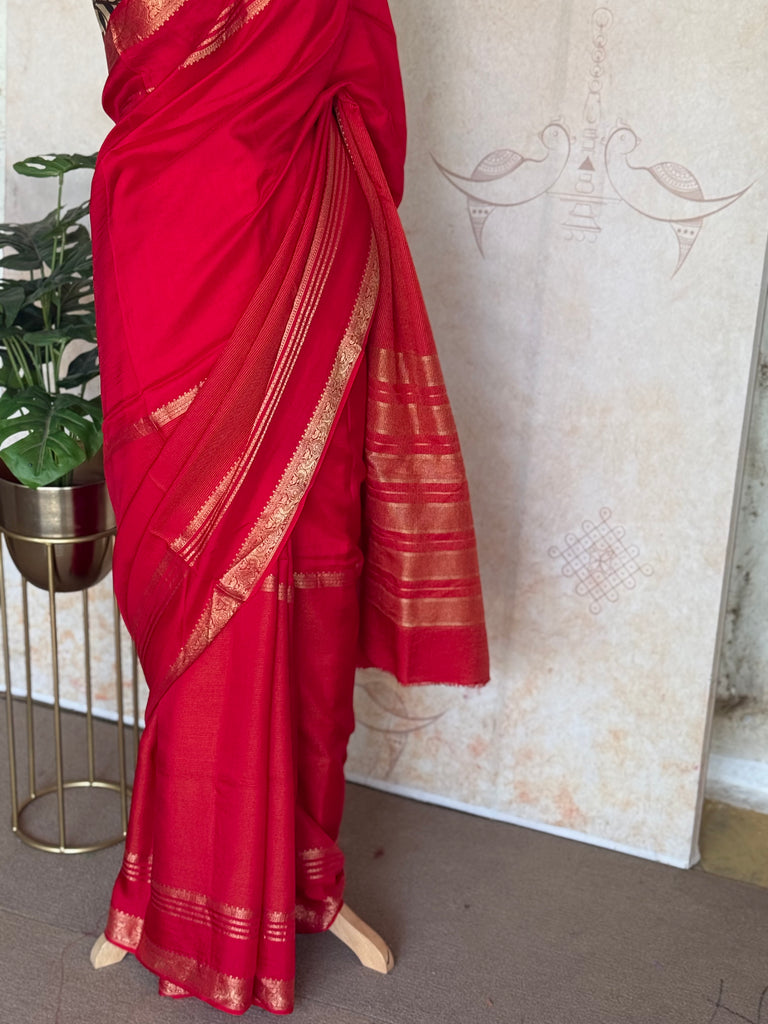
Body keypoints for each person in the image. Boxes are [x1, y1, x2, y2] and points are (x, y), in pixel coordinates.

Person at [89, 0, 490, 1015]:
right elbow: (376, 118)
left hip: (290, 263)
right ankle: (188, 889)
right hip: (170, 271)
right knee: (192, 585)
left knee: (299, 585)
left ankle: (294, 878)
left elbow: (371, 111)